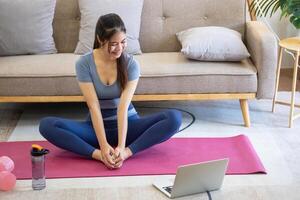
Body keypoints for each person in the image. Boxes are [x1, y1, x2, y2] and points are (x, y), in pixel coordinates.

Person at [39, 13, 182, 169]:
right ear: (101, 39)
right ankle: (96, 154)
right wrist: (103, 148)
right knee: (46, 125)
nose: (119, 48)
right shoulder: (84, 63)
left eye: (123, 42)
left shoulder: (131, 65)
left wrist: (122, 149)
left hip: (129, 127)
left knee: (174, 118)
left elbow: (122, 107)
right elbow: (93, 107)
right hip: (95, 129)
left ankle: (129, 150)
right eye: (113, 44)